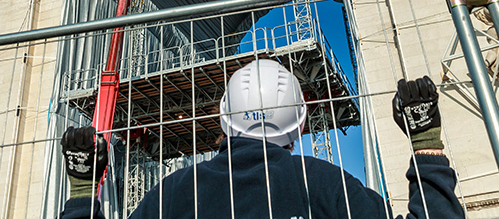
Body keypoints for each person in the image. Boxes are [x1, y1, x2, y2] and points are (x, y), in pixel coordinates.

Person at [59, 59, 464, 219]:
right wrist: (426, 144)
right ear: (300, 124)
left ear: (222, 118)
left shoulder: (176, 193)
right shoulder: (326, 185)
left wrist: (82, 190)